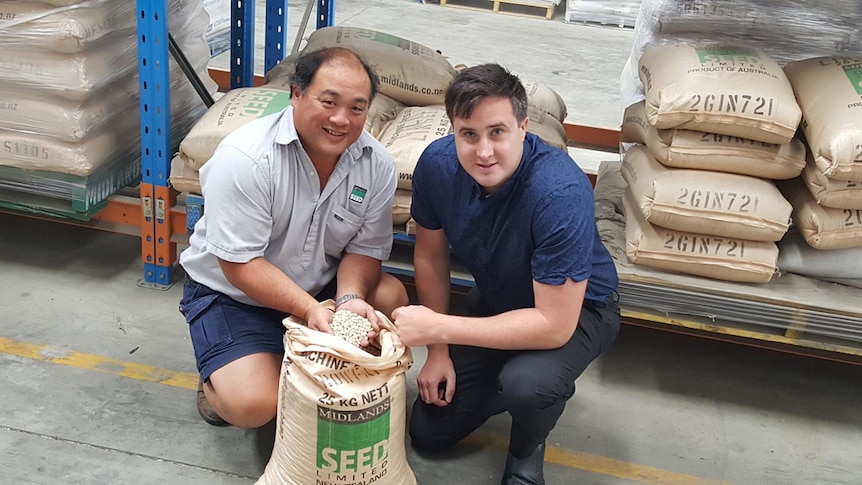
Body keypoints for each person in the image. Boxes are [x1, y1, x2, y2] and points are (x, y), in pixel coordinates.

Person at [391, 64, 621, 485]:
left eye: (497, 132)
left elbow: (553, 326)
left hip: (578, 311)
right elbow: (429, 257)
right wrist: (438, 351)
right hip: (500, 298)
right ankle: (503, 381)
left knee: (529, 385)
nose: (483, 152)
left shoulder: (559, 191)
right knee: (429, 434)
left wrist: (437, 325)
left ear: (523, 127)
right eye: (469, 134)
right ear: (454, 130)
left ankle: (527, 448)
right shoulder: (437, 167)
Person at [179, 47, 408, 429]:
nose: (341, 120)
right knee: (254, 406)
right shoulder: (247, 158)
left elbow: (365, 248)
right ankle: (216, 376)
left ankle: (288, 356)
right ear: (297, 94)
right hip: (234, 296)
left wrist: (348, 299)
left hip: (321, 290)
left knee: (390, 297)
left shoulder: (375, 163)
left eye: (357, 108)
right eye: (329, 101)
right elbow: (240, 265)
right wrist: (311, 310)